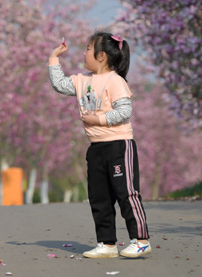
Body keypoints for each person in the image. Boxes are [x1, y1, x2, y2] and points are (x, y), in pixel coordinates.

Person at [48, 31, 151, 259]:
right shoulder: (82, 80)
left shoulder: (115, 80)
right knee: (99, 197)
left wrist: (99, 119)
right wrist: (54, 58)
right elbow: (59, 85)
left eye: (87, 48)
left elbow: (125, 111)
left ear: (102, 56)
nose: (84, 53)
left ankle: (141, 240)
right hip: (96, 148)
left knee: (126, 193)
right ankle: (107, 243)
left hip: (118, 146)